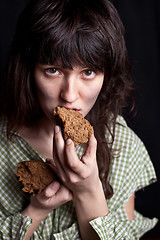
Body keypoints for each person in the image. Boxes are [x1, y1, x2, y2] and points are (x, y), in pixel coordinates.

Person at [0, 0, 158, 239]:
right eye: (53, 70)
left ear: (106, 75)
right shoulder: (3, 144)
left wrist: (88, 190)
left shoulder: (122, 147)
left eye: (88, 72)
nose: (69, 95)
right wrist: (37, 209)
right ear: (28, 69)